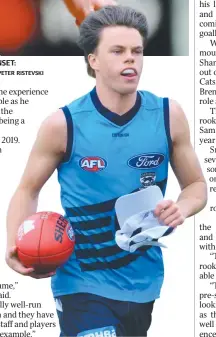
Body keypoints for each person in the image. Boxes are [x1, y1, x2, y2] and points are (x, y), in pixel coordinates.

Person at [6, 5, 207, 337]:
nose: (131, 59)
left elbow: (197, 185)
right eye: (118, 51)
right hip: (81, 282)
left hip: (144, 281)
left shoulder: (169, 115)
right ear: (93, 60)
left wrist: (181, 207)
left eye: (136, 51)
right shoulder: (63, 124)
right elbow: (27, 189)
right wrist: (15, 243)